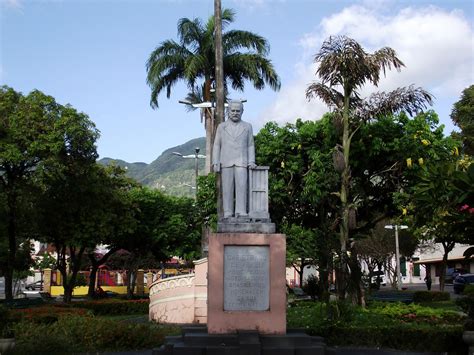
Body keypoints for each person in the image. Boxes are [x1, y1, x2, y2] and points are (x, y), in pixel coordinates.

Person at [212, 100, 256, 219]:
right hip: (226, 161)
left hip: (242, 161)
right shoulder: (222, 127)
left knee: (242, 187)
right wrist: (215, 161)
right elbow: (216, 145)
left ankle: (241, 211)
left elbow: (250, 145)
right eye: (233, 110)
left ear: (242, 111)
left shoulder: (247, 126)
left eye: (238, 111)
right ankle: (227, 211)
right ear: (228, 111)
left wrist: (252, 160)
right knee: (227, 189)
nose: (235, 113)